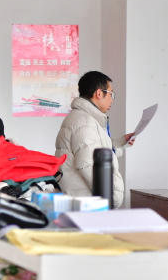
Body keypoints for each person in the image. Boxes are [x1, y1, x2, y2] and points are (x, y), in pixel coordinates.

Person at [54, 71, 135, 208]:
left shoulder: (84, 118)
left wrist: (120, 143)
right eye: (111, 94)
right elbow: (89, 164)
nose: (112, 99)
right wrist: (110, 197)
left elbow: (94, 150)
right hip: (86, 203)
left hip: (82, 199)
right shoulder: (85, 122)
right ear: (99, 93)